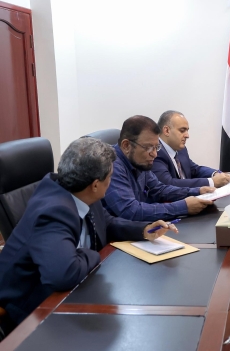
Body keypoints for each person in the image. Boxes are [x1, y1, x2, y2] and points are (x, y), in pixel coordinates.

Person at [0, 138, 177, 339]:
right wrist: (92, 255)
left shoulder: (79, 190)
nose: (110, 182)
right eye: (110, 177)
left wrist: (143, 230)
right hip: (30, 307)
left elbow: (106, 222)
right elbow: (63, 274)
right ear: (95, 185)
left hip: (71, 290)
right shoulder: (53, 211)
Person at [103, 115, 214, 222]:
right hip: (120, 232)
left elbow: (159, 189)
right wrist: (183, 206)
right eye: (149, 148)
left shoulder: (139, 160)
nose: (155, 154)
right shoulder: (111, 165)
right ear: (126, 145)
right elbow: (131, 211)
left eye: (156, 147)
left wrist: (197, 191)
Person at [152, 110, 230, 188]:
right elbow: (168, 184)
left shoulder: (181, 149)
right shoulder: (155, 152)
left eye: (187, 131)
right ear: (167, 131)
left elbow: (194, 169)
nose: (187, 135)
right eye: (182, 131)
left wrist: (216, 174)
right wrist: (211, 182)